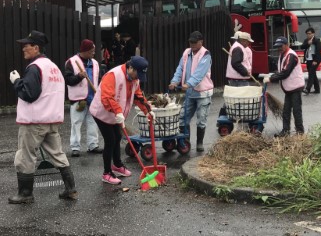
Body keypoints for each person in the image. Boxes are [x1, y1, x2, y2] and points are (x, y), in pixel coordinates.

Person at [8, 30, 77, 204]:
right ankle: (71, 189)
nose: (23, 48)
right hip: (52, 120)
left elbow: (29, 94)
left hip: (34, 121)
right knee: (58, 154)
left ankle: (25, 194)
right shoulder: (53, 67)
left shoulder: (34, 68)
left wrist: (16, 81)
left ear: (36, 47)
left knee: (25, 156)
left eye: (27, 45)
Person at [89, 56, 155, 185]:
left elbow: (138, 96)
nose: (138, 78)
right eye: (138, 74)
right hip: (102, 113)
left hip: (116, 114)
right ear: (131, 68)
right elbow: (107, 97)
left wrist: (148, 110)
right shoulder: (113, 75)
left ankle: (117, 165)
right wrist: (118, 111)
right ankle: (106, 173)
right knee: (110, 140)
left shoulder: (135, 79)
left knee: (117, 138)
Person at [168, 31, 214, 152]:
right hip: (190, 92)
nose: (192, 44)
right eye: (190, 42)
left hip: (203, 92)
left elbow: (200, 73)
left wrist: (188, 83)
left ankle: (199, 143)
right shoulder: (186, 53)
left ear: (201, 42)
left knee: (201, 118)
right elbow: (180, 68)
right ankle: (185, 142)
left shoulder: (205, 54)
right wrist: (174, 82)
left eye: (194, 42)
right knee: (183, 117)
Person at [64, 39, 103, 157]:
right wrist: (79, 76)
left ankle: (93, 145)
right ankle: (75, 147)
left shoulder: (95, 63)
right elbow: (68, 80)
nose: (93, 53)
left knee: (93, 122)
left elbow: (99, 80)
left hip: (93, 98)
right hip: (78, 99)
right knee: (76, 123)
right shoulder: (71, 62)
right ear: (85, 51)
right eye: (91, 51)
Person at [263, 36, 305, 137]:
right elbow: (281, 70)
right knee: (286, 111)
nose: (279, 48)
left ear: (286, 45)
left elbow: (285, 72)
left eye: (280, 46)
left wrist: (271, 79)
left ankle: (300, 132)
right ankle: (285, 131)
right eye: (277, 47)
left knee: (296, 110)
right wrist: (271, 76)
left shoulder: (291, 56)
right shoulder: (283, 55)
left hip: (295, 87)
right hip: (289, 88)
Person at [300, 27, 321, 94]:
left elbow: (319, 50)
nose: (308, 35)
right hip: (308, 59)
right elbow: (302, 47)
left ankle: (307, 89)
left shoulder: (317, 40)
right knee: (313, 74)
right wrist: (308, 44)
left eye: (309, 33)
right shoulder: (306, 40)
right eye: (307, 34)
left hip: (315, 60)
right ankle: (317, 90)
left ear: (313, 33)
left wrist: (315, 60)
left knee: (311, 73)